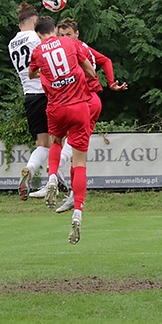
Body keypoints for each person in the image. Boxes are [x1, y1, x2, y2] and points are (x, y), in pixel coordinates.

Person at [27, 16, 99, 244]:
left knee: (56, 142)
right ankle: (78, 209)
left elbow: (31, 74)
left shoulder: (38, 51)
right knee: (79, 162)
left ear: (38, 34)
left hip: (56, 108)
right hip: (79, 107)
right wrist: (85, 75)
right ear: (55, 31)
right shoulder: (71, 43)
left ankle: (51, 179)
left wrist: (44, 74)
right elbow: (89, 69)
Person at [53, 18, 128, 213]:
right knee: (74, 151)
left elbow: (91, 70)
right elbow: (105, 60)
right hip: (90, 101)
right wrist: (111, 83)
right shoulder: (82, 47)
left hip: (85, 101)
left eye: (68, 34)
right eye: (61, 35)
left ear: (77, 34)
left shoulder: (72, 49)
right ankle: (70, 192)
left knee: (69, 149)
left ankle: (53, 177)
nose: (64, 38)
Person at [9, 3, 52, 200]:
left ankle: (30, 168)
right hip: (48, 94)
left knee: (42, 144)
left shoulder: (11, 44)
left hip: (30, 98)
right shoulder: (36, 37)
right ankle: (54, 181)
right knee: (62, 142)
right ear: (35, 22)